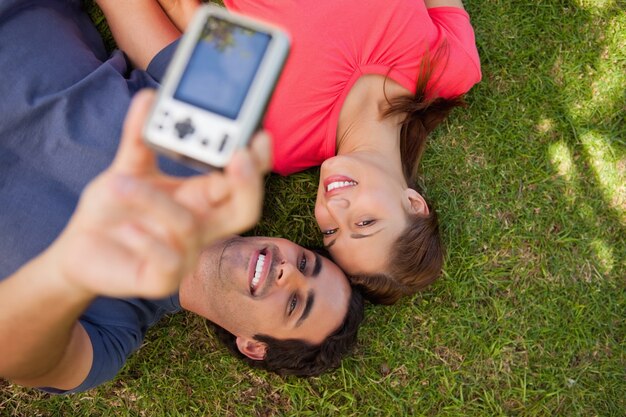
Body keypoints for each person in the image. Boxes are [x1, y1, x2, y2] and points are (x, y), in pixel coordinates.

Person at [0, 1, 363, 393]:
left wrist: (68, 273)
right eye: (307, 263)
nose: (288, 271)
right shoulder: (227, 148)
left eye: (294, 304)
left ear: (253, 346)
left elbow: (14, 355)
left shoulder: (109, 336)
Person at [155, 0, 482, 304]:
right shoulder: (451, 70)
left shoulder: (280, 141)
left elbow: (193, 19)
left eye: (331, 231)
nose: (335, 207)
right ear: (413, 204)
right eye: (365, 222)